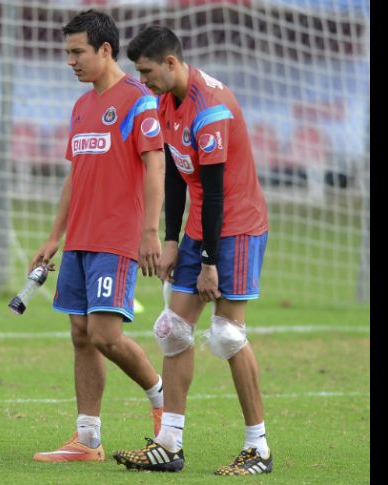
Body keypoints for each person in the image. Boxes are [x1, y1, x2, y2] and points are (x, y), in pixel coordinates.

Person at [112, 25, 272, 476]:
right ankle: (170, 444)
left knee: (226, 336)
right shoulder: (164, 102)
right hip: (203, 224)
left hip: (236, 227)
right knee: (172, 331)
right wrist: (169, 241)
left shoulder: (211, 109)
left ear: (170, 62)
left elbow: (219, 192)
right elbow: (177, 177)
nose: (143, 80)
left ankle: (258, 448)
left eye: (146, 71)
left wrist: (208, 264)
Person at [29, 10, 166, 463]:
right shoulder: (82, 105)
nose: (70, 61)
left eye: (77, 52)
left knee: (105, 335)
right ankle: (87, 439)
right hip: (80, 239)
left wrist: (150, 230)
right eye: (67, 52)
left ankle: (162, 404)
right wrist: (55, 236)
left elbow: (155, 164)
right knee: (80, 334)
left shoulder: (137, 99)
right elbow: (76, 174)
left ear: (104, 50)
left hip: (117, 237)